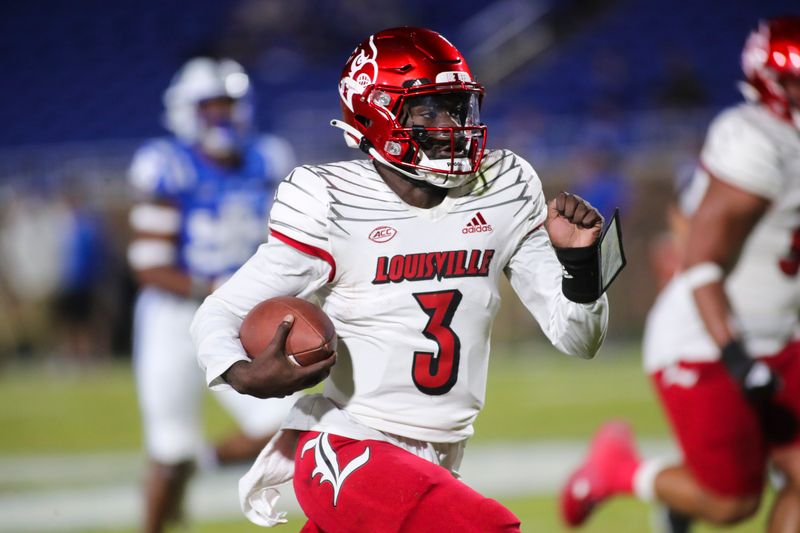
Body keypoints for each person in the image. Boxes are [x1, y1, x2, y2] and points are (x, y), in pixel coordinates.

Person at [191, 27, 621, 532]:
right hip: (350, 450)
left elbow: (579, 338)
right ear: (375, 113)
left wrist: (582, 268)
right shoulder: (331, 201)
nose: (451, 126)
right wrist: (241, 374)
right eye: (429, 110)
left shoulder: (503, 186)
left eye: (457, 108)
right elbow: (218, 313)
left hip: (437, 460)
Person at [560, 16, 800, 533]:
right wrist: (736, 356)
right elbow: (700, 257)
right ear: (773, 84)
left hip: (782, 334)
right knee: (733, 503)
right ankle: (620, 471)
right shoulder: (760, 141)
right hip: (711, 343)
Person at [127, 56, 299, 533]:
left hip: (237, 315)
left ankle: (199, 463)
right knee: (168, 448)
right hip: (172, 316)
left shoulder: (268, 158)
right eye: (211, 105)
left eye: (229, 104)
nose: (222, 116)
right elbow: (149, 266)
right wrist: (212, 286)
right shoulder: (166, 165)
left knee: (285, 422)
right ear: (187, 110)